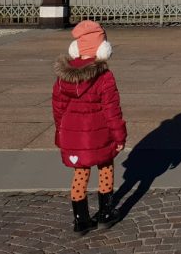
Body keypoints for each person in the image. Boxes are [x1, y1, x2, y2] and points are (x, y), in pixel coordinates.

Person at [52, 20, 127, 234]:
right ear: (103, 48)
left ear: (76, 48)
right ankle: (105, 213)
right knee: (105, 168)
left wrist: (61, 132)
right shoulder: (104, 76)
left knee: (80, 173)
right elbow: (112, 111)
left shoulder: (62, 77)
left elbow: (58, 108)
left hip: (73, 136)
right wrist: (119, 136)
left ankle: (80, 219)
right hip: (100, 135)